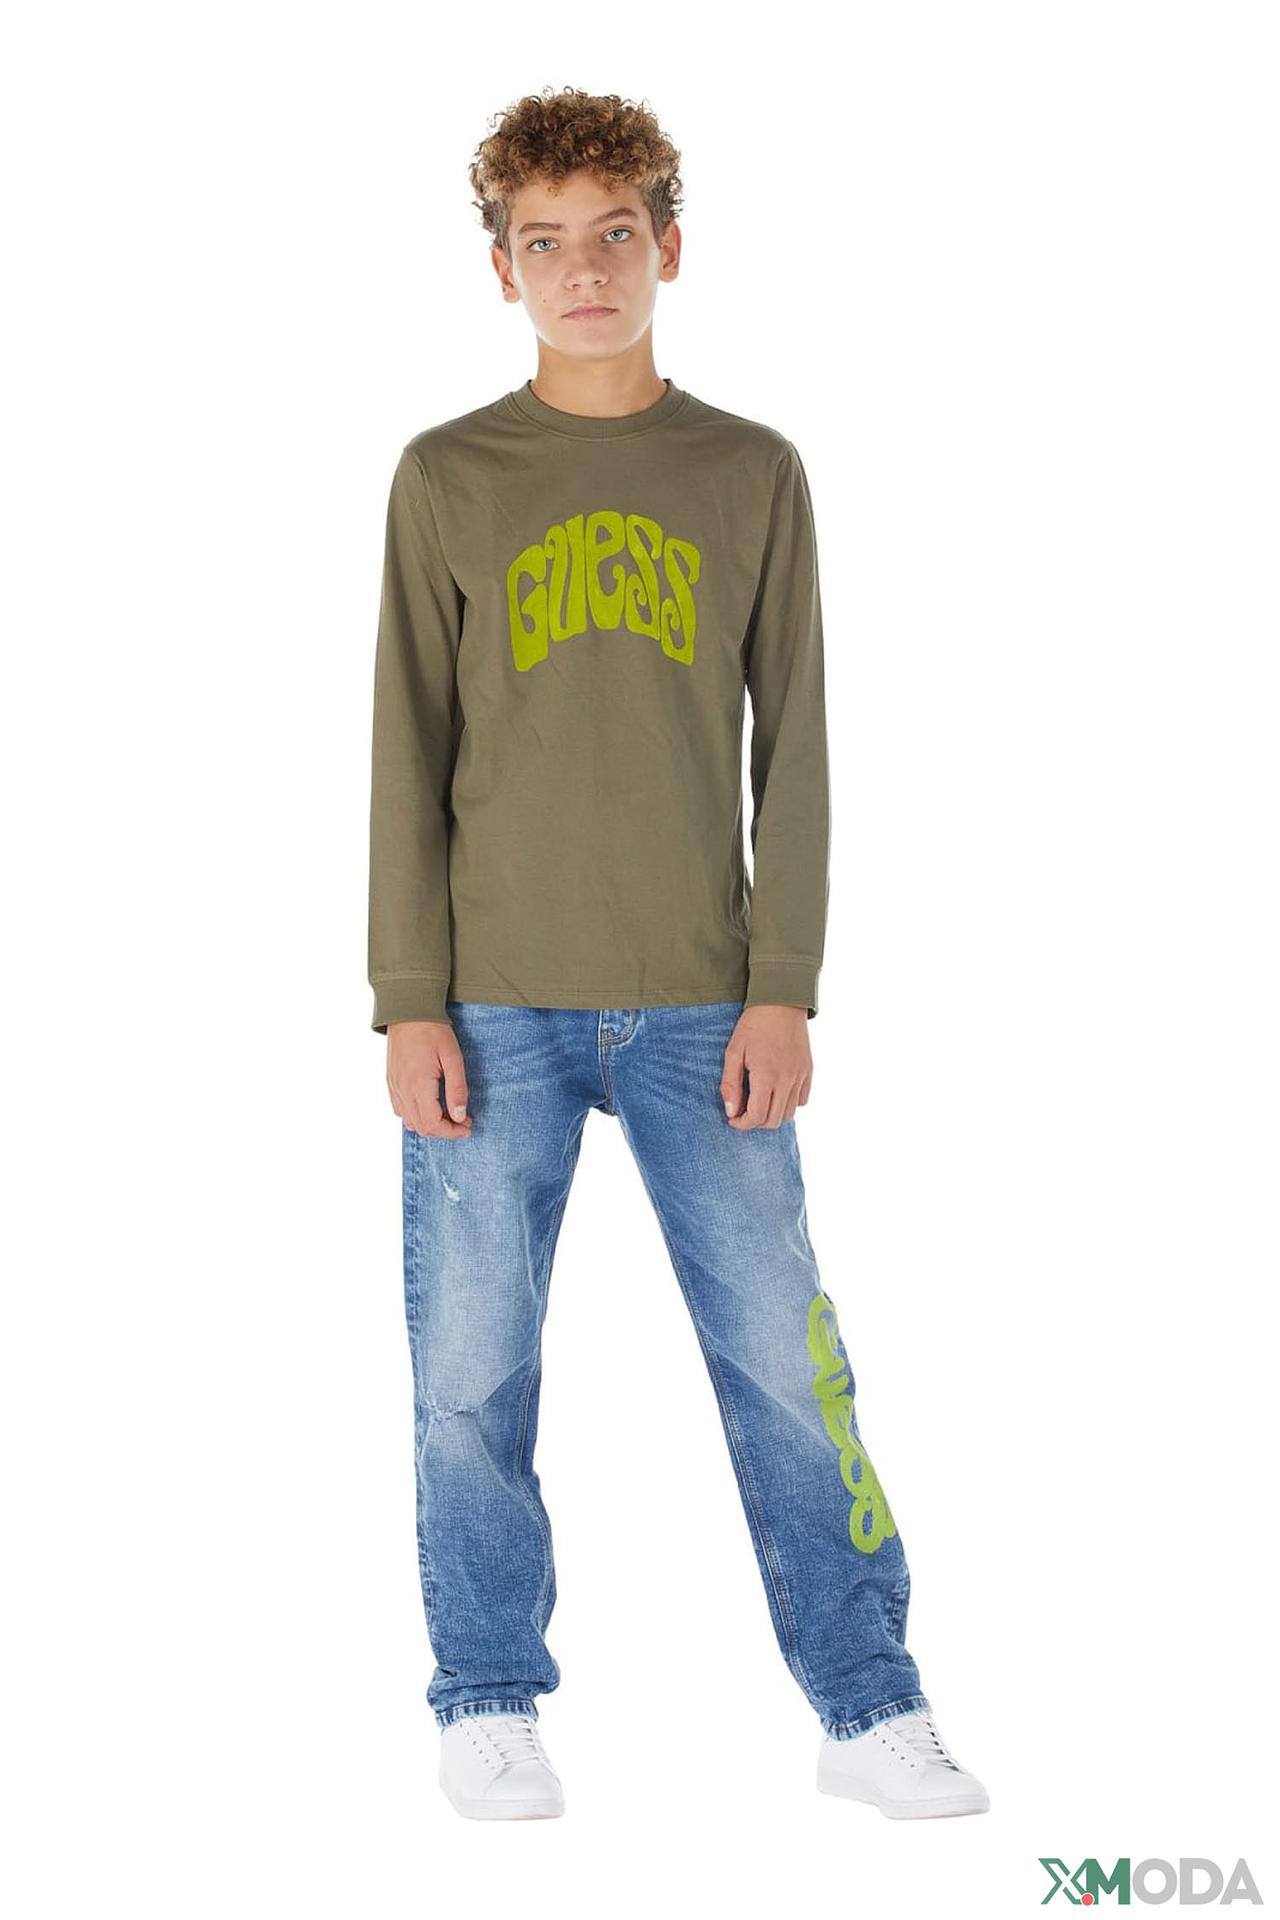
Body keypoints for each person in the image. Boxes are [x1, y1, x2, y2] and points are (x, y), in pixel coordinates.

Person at [367, 83, 989, 1824]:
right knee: (468, 1374)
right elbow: (405, 750)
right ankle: (487, 1696)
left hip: (707, 1003)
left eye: (615, 236)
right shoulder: (448, 477)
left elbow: (801, 743)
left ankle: (868, 1703)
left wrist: (784, 981)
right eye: (546, 244)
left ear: (671, 249)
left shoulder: (748, 471)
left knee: (788, 1361)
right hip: (490, 1004)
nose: (585, 271)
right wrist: (408, 999)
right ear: (501, 269)